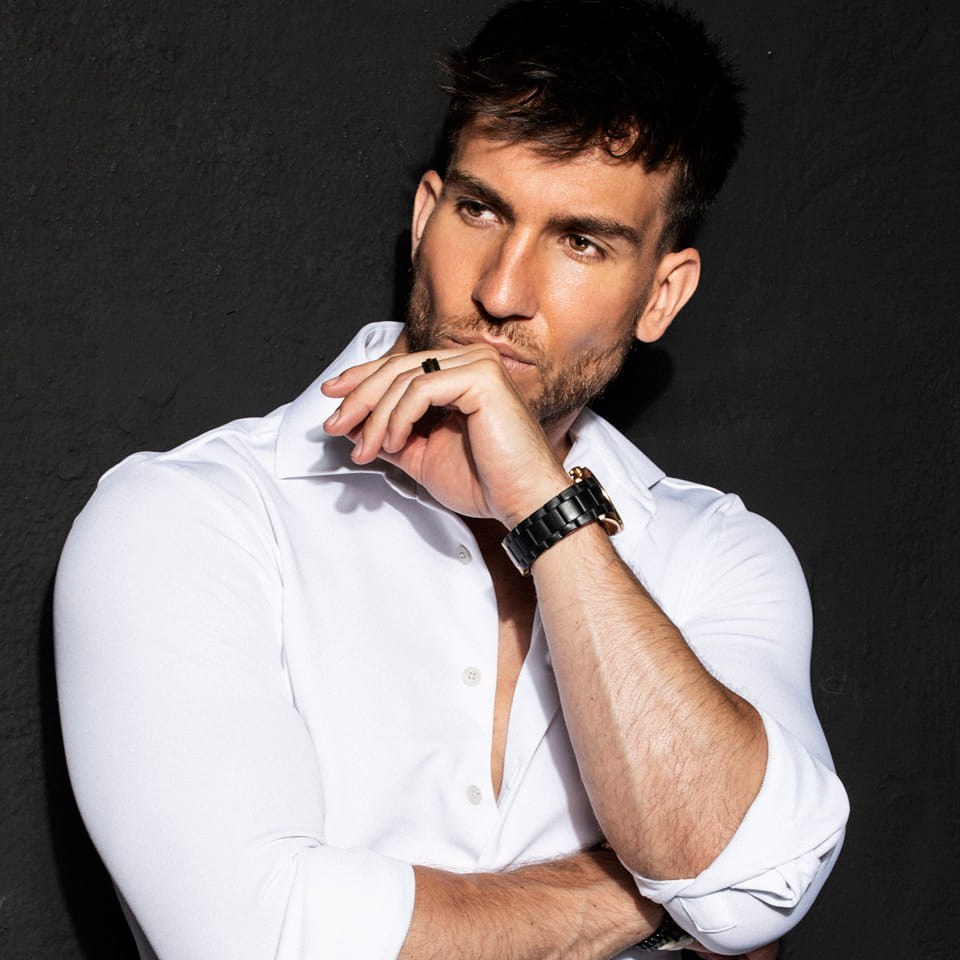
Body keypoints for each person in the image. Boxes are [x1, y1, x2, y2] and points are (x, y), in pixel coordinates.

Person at [54, 1, 848, 958]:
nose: (502, 292)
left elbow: (759, 893)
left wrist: (545, 510)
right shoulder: (192, 519)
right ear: (425, 214)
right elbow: (254, 939)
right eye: (481, 210)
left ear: (662, 295)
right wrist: (657, 895)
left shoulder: (716, 554)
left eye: (581, 242)